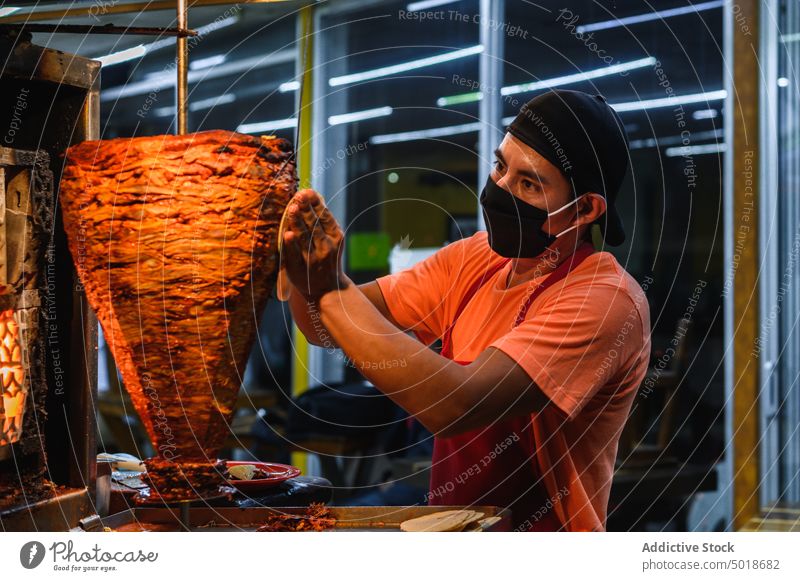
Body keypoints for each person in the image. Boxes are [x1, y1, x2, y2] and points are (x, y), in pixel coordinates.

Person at [281, 89, 651, 531]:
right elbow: (324, 329)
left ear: (586, 208)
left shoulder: (602, 299)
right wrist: (303, 272)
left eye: (529, 183)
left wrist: (331, 286)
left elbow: (455, 404)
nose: (501, 190)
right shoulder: (476, 260)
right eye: (500, 167)